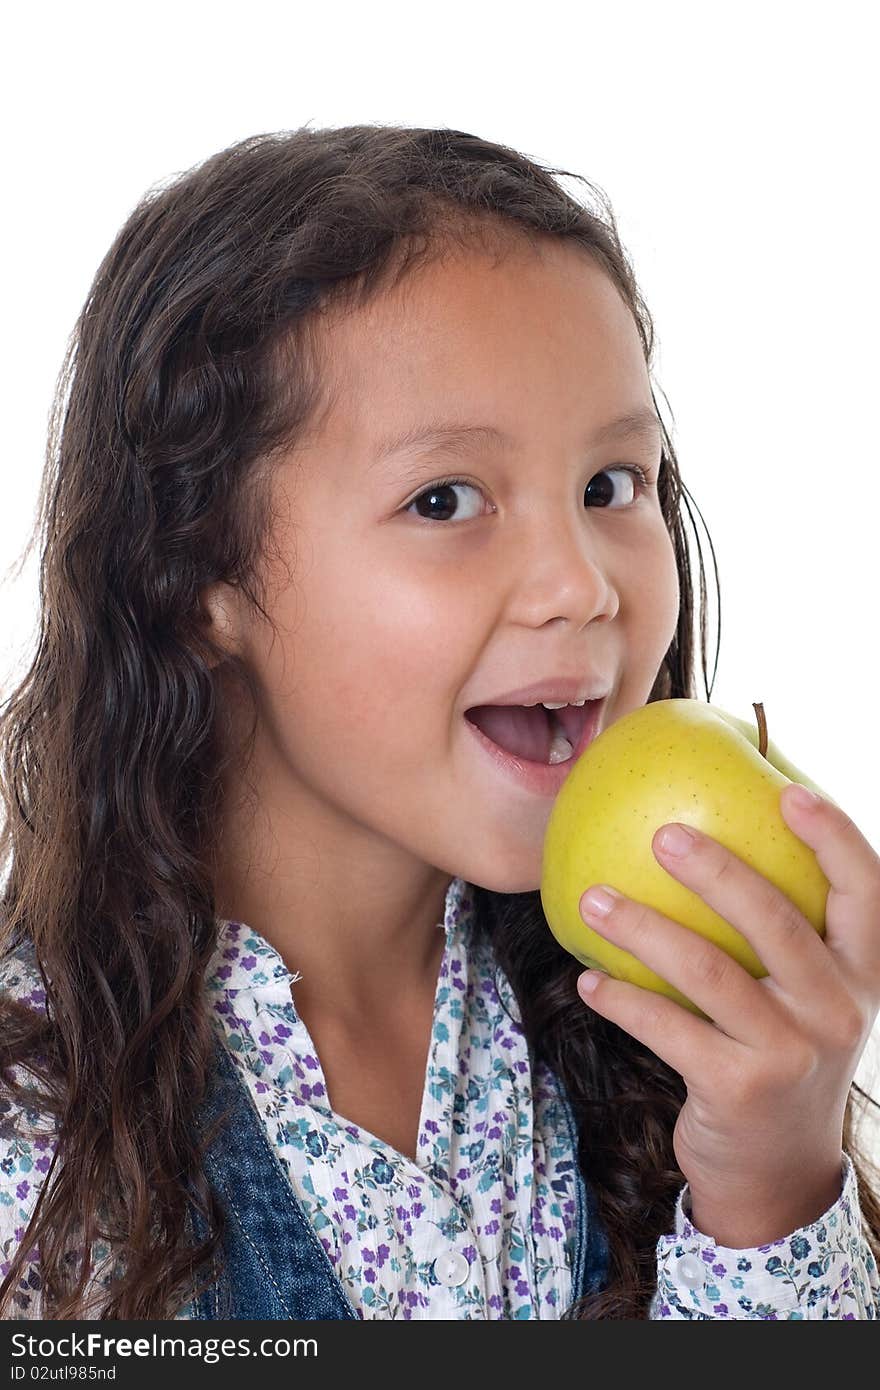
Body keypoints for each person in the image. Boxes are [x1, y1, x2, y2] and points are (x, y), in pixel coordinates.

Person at [1, 125, 878, 1322]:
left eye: (611, 485)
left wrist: (773, 1191)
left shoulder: (661, 1060)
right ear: (194, 572)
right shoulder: (32, 1137)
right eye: (445, 499)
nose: (583, 584)